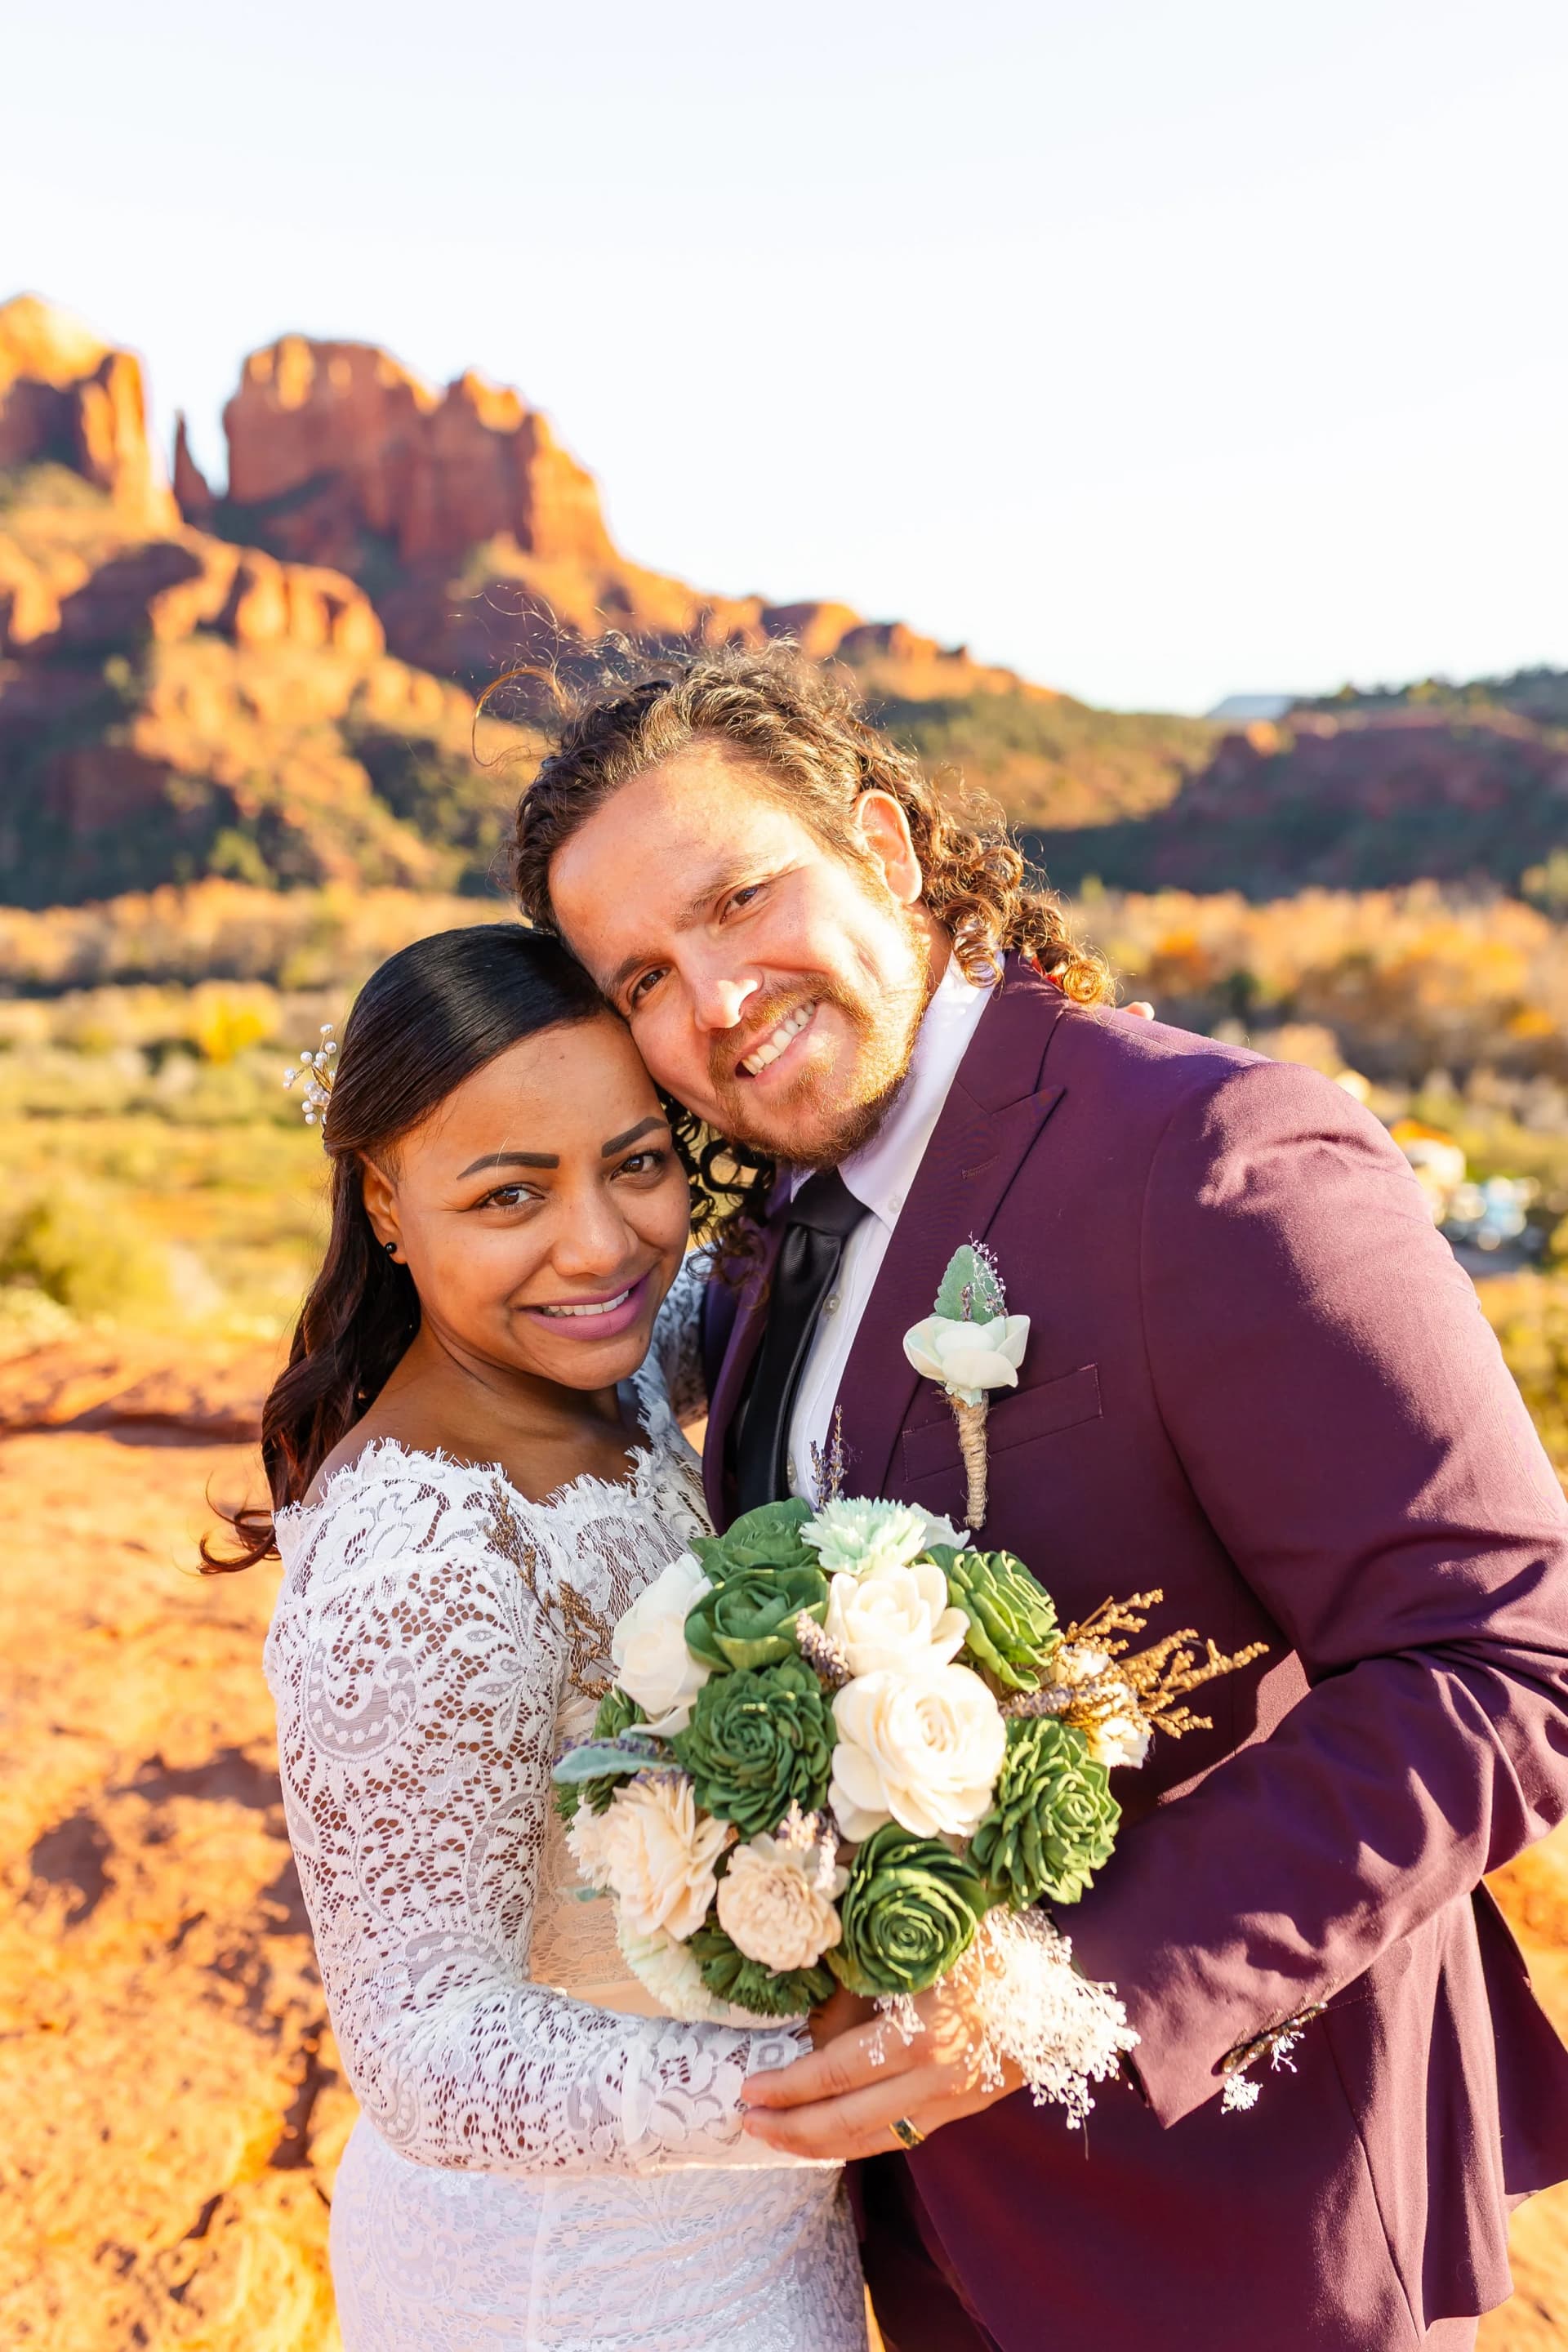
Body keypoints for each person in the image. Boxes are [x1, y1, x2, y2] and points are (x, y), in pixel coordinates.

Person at [512, 644, 1568, 2352]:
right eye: (643, 975)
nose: (711, 1001)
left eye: (739, 900)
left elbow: (1503, 1660)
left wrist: (1048, 1996)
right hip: (926, 2236)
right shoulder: (787, 1224)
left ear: (884, 846)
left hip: (1234, 2227)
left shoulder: (1214, 1153)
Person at [205, 924, 869, 2352]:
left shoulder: (595, 1373)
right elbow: (424, 2048)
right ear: (387, 1206)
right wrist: (830, 2068)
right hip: (569, 2287)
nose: (600, 1244)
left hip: (752, 2236)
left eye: (637, 1162)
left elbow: (736, 1289)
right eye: (511, 1194)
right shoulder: (423, 1566)